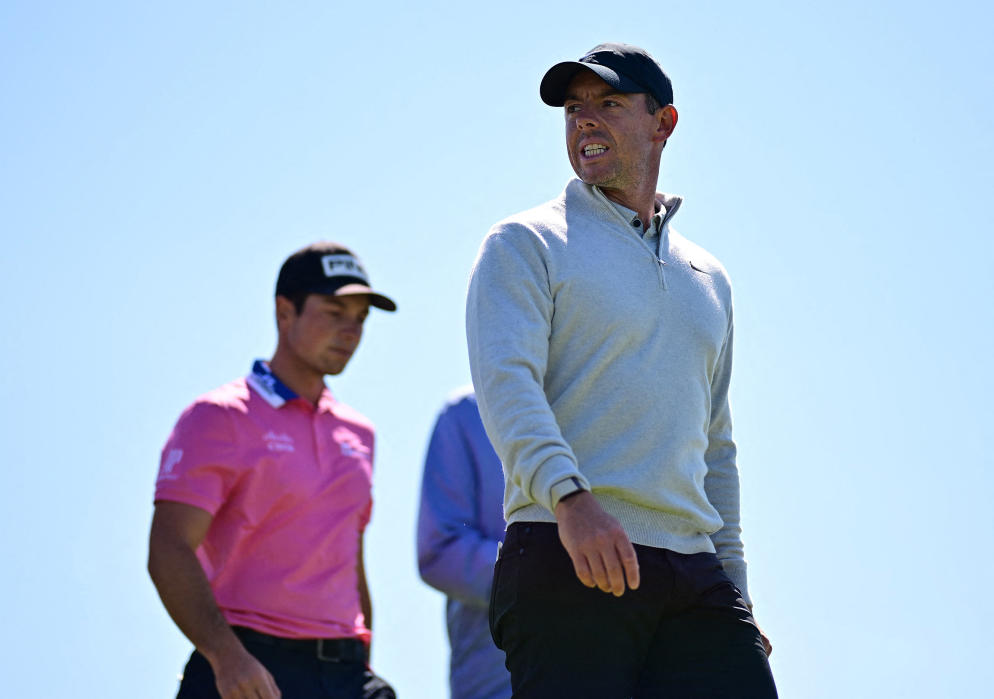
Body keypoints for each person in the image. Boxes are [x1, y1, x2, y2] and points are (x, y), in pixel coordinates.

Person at [465, 43, 777, 697]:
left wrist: (737, 589)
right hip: (564, 550)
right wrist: (571, 498)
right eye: (574, 109)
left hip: (694, 572)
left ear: (663, 123)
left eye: (608, 103)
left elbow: (714, 444)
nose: (585, 121)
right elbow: (507, 384)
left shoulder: (710, 278)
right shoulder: (525, 242)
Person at [147, 242, 397, 699]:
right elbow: (168, 547)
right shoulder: (219, 416)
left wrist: (361, 663)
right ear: (285, 312)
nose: (350, 330)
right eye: (335, 311)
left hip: (344, 671)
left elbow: (348, 559)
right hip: (246, 667)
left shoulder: (359, 434)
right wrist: (227, 658)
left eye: (360, 318)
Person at [415, 387, 511, 699]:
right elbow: (440, 552)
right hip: (500, 679)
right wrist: (545, 577)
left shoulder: (606, 407)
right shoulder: (466, 413)